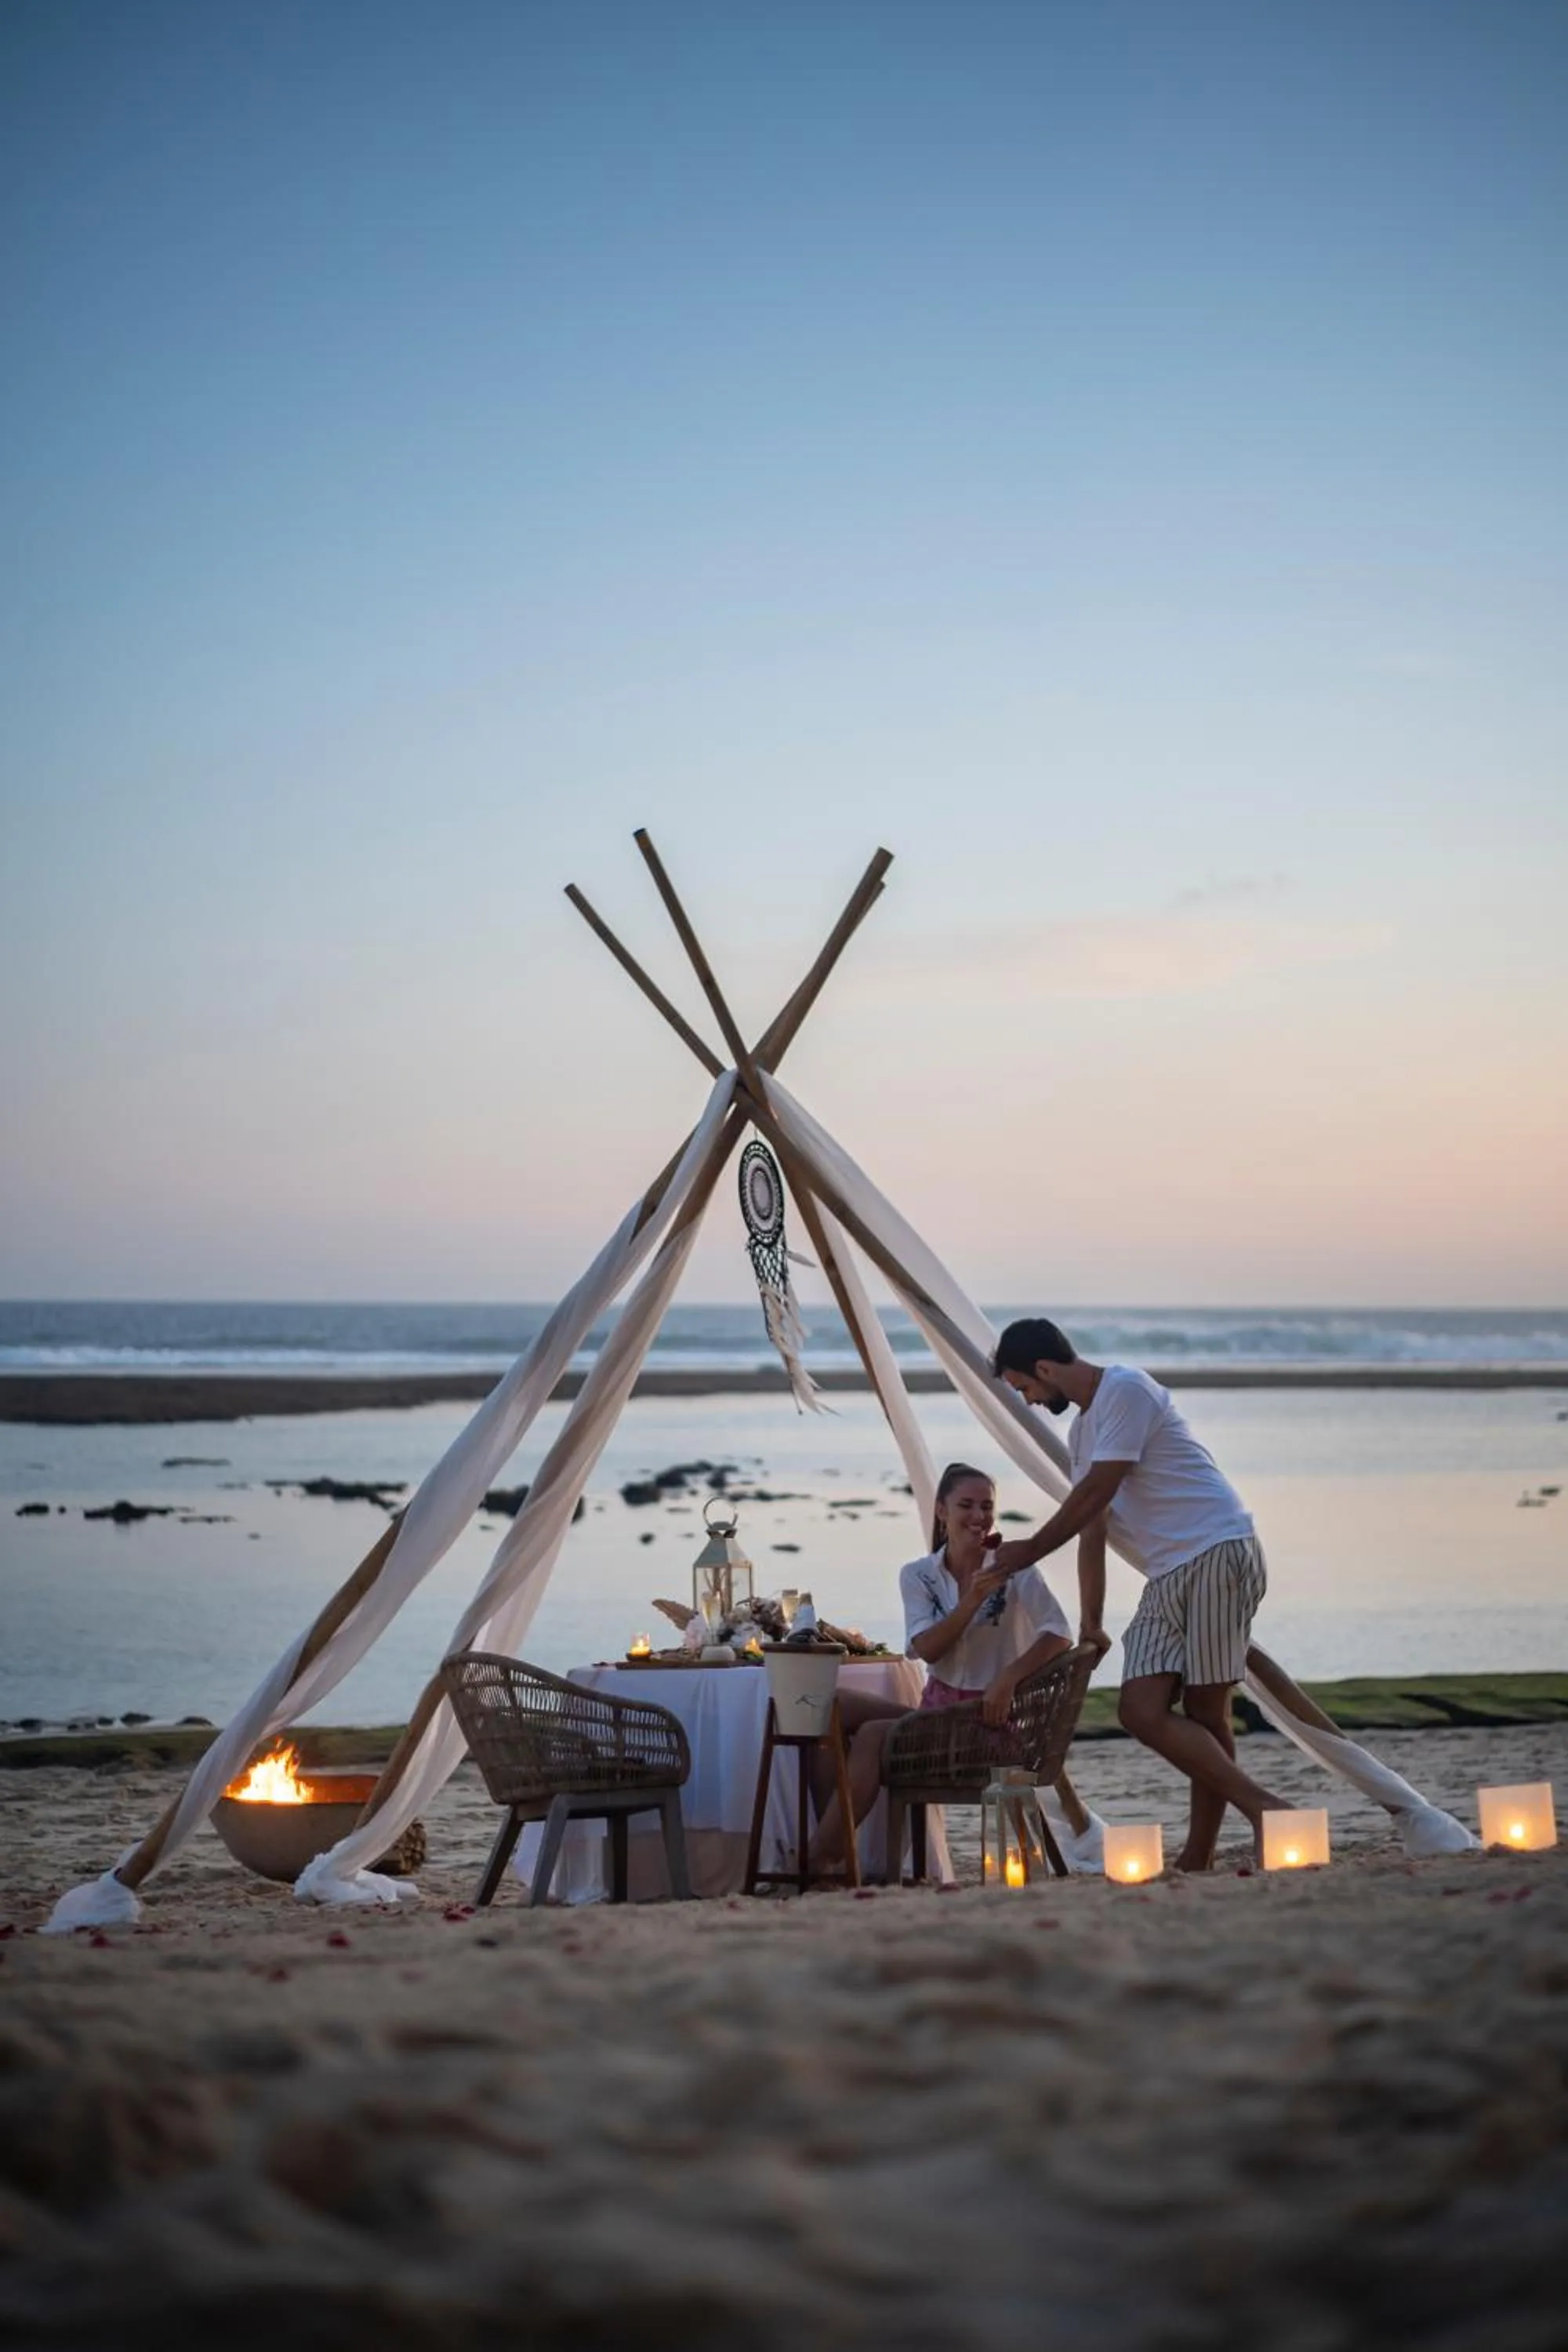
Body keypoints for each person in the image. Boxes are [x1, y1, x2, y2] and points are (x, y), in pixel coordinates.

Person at [984, 1316, 1287, 1869]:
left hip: (1218, 1549)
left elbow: (1101, 1488)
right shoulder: (1080, 1433)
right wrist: (1091, 1622)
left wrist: (1030, 1550)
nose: (1028, 1401)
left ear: (1045, 1369)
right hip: (1169, 1573)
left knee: (1206, 1709)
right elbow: (1092, 1523)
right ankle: (1266, 1809)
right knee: (1140, 1710)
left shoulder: (1127, 1388)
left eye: (1024, 1388)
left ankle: (1203, 1853)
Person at [808, 1461, 1076, 1873]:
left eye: (986, 1507)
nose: (978, 1517)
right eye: (966, 1505)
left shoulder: (1015, 1569)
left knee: (875, 1735)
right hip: (938, 1715)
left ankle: (821, 1858)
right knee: (832, 1707)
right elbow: (928, 1649)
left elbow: (1059, 1634)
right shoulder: (918, 1575)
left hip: (991, 1722)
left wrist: (1008, 1678)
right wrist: (970, 1602)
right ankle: (837, 1840)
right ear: (941, 1512)